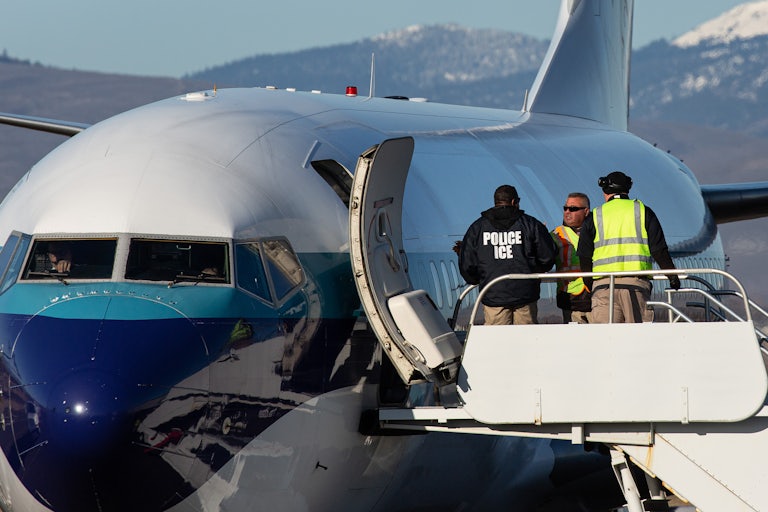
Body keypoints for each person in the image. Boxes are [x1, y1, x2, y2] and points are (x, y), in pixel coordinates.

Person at [577, 171, 680, 323]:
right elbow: (659, 250)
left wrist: (589, 282)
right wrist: (672, 276)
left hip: (603, 286)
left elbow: (584, 255)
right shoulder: (643, 211)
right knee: (637, 338)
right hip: (635, 285)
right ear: (627, 189)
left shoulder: (595, 215)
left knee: (605, 339)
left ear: (605, 191)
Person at [458, 184, 556, 325]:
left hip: (493, 296)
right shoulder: (531, 224)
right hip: (525, 296)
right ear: (513, 202)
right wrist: (533, 272)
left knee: (497, 343)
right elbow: (547, 257)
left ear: (496, 201)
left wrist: (480, 279)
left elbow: (467, 263)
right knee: (526, 341)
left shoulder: (477, 228)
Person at [551, 192, 592, 323]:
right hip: (569, 297)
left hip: (596, 294)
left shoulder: (598, 231)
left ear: (586, 211)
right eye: (565, 208)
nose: (567, 212)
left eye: (573, 209)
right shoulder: (556, 234)